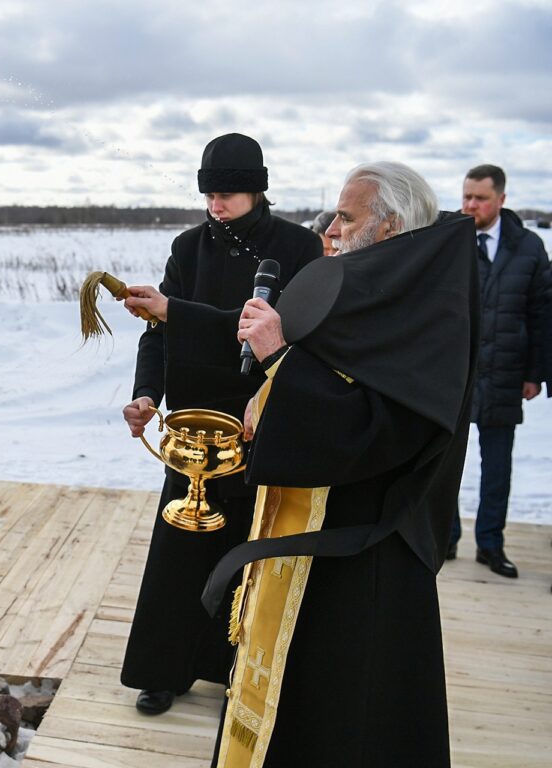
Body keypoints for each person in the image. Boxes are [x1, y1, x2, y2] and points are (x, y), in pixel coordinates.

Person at [203, 161, 476, 767]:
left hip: (362, 555)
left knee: (346, 717)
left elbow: (378, 432)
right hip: (310, 539)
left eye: (346, 217)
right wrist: (269, 392)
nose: (331, 226)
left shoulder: (425, 310)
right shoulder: (375, 289)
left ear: (389, 227)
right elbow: (327, 382)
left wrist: (278, 361)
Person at [116, 133, 322, 716]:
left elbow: (277, 328)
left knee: (249, 551)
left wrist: (173, 309)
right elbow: (157, 334)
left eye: (227, 194)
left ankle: (242, 674)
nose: (215, 205)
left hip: (264, 421)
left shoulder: (301, 248)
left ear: (257, 189)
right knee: (177, 556)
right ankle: (164, 670)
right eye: (208, 194)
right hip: (193, 430)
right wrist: (146, 395)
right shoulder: (187, 247)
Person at [448, 164, 551, 578]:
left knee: (498, 466)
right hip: (454, 372)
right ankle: (446, 537)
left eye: (480, 198)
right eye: (467, 196)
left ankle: (491, 544)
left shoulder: (529, 247)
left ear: (501, 200)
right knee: (446, 462)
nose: (471, 205)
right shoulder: (448, 242)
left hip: (506, 370)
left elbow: (542, 312)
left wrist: (535, 373)